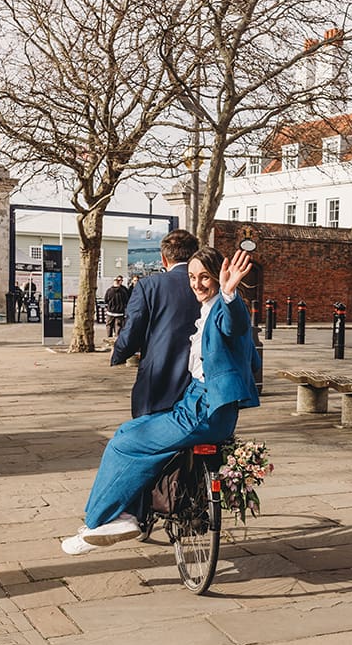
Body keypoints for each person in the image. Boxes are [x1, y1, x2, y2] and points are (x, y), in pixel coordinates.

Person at [63, 248, 259, 555]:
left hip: (203, 412)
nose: (197, 284)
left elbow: (235, 326)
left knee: (122, 445)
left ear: (217, 276)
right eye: (193, 277)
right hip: (196, 404)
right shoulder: (207, 306)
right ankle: (124, 514)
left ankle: (99, 522)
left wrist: (230, 291)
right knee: (128, 432)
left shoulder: (223, 306)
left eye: (205, 277)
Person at [111, 230, 201, 417]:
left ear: (163, 258)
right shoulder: (210, 285)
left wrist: (119, 353)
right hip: (202, 379)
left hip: (160, 377)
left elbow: (133, 327)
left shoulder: (149, 285)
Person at [103, 275, 130, 342]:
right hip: (120, 313)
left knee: (109, 327)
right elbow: (126, 301)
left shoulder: (109, 291)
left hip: (110, 312)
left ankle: (109, 340)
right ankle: (117, 341)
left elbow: (106, 300)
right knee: (118, 328)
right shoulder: (123, 291)